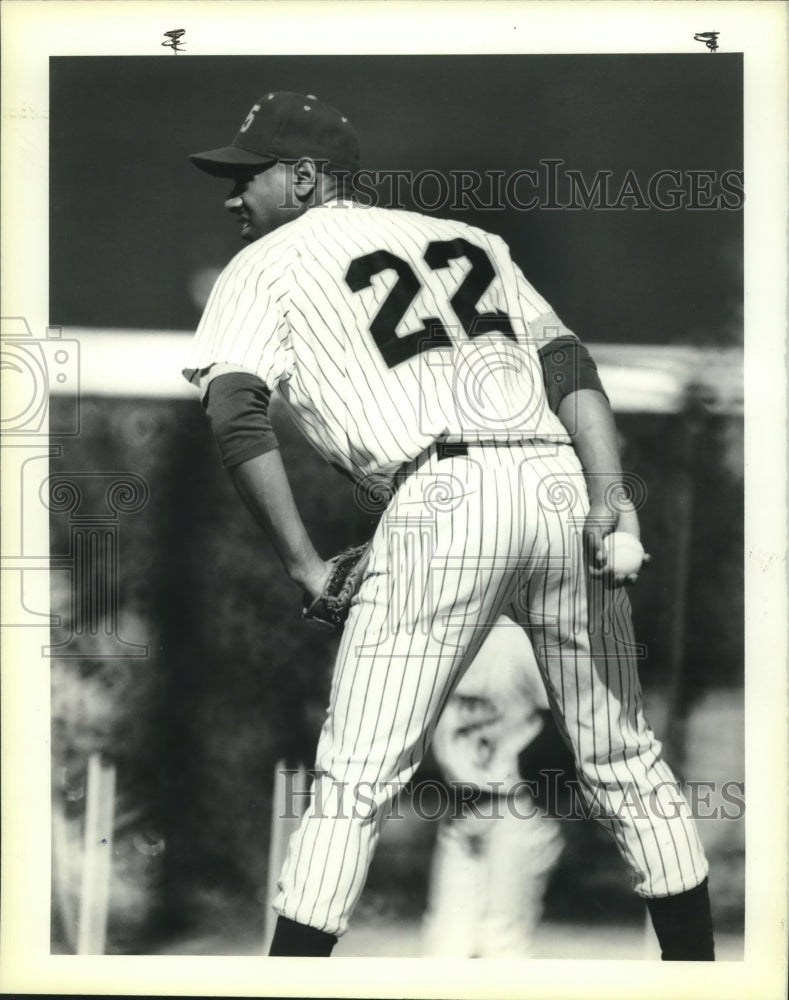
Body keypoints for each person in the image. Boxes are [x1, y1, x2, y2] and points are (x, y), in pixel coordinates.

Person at [183, 91, 714, 959]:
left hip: (442, 496)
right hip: (555, 480)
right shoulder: (474, 241)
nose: (233, 194)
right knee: (624, 760)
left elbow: (236, 412)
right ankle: (699, 976)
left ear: (308, 177)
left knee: (354, 783)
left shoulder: (269, 259)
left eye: (249, 173)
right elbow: (568, 359)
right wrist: (608, 490)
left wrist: (304, 565)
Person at [422, 616, 566, 958]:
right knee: (444, 947)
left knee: (502, 944)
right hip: (460, 809)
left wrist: (544, 783)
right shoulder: (434, 635)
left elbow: (567, 715)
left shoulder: (515, 640)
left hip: (516, 807)